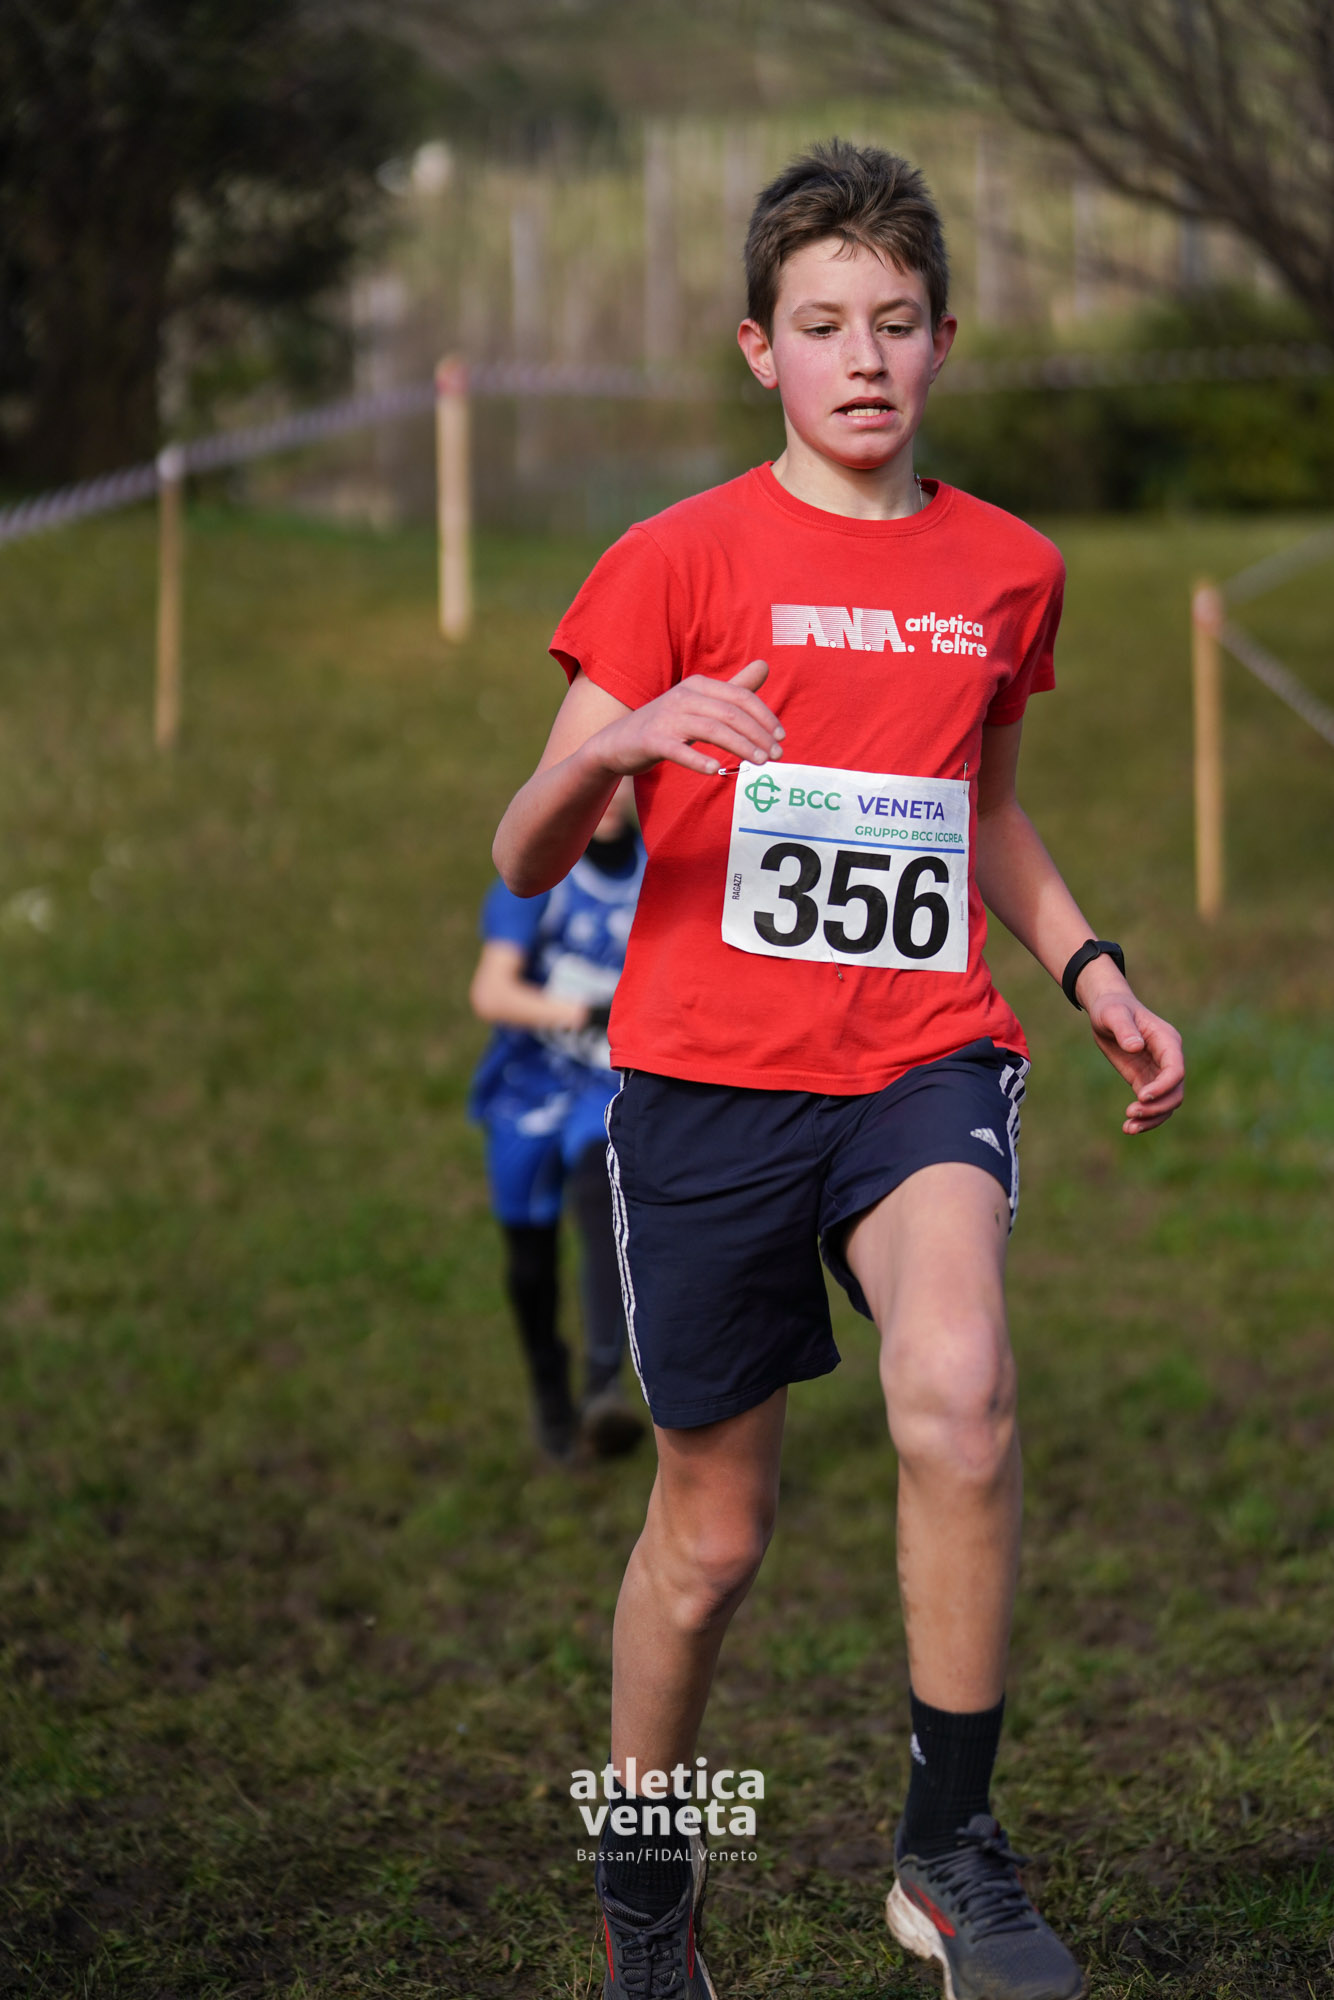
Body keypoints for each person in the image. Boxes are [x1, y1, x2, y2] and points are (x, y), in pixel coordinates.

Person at [493, 142, 1185, 2000]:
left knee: (957, 1394)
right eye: (820, 325)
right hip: (706, 1087)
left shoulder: (1008, 571)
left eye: (892, 322)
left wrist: (1091, 967)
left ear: (942, 340)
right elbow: (522, 852)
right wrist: (616, 741)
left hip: (917, 1062)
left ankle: (946, 1852)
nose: (860, 357)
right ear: (758, 348)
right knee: (708, 1544)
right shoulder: (674, 558)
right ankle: (648, 1896)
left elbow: (981, 813)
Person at [469, 779, 647, 1464]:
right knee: (529, 1258)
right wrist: (585, 1014)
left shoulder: (662, 866)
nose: (612, 795)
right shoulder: (540, 873)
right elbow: (492, 991)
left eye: (628, 776)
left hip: (604, 1085)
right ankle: (550, 1390)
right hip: (529, 1086)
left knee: (601, 1190)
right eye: (601, 776)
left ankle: (604, 1386)